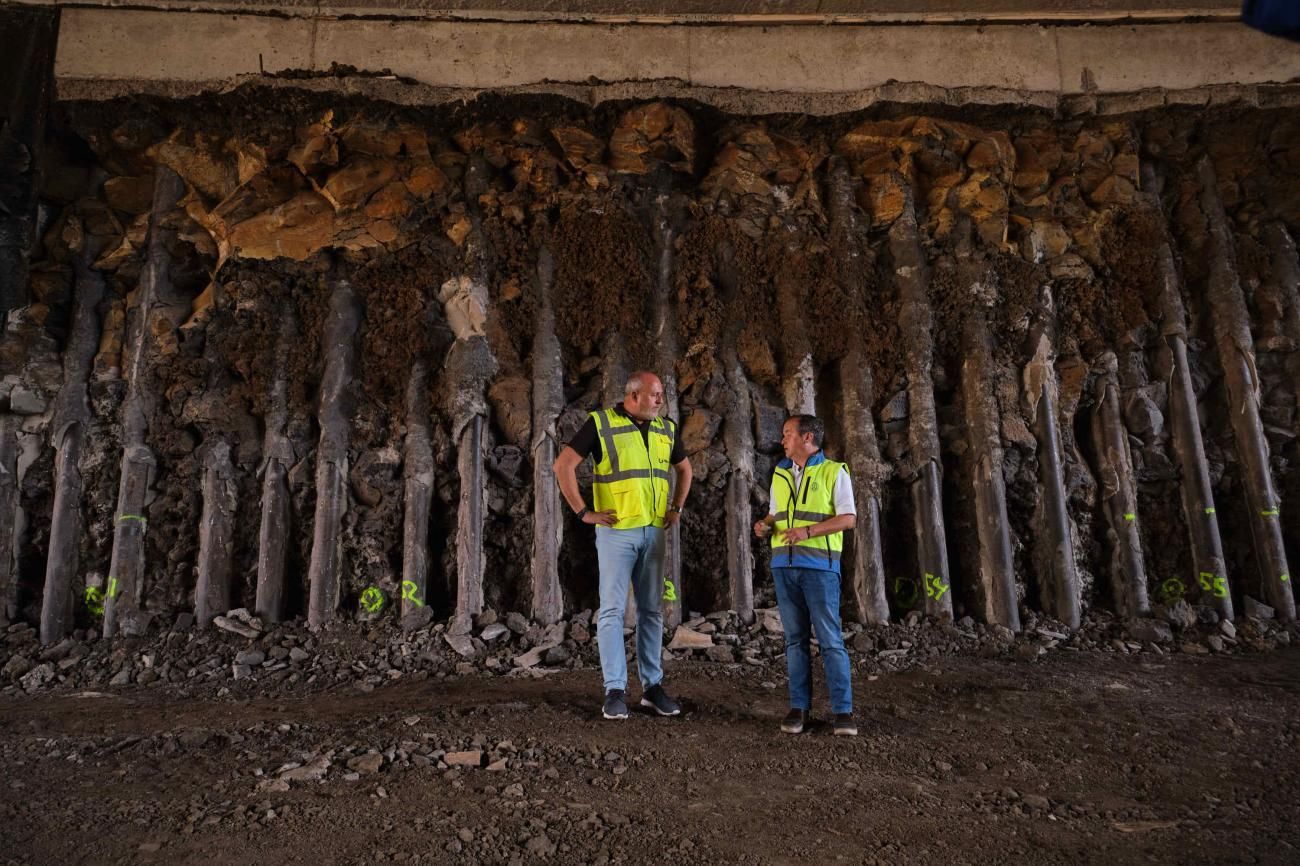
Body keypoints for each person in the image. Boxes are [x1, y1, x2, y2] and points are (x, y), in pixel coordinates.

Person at [554, 370, 693, 720]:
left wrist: (675, 507)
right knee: (613, 612)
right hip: (617, 533)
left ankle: (652, 688)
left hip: (654, 532)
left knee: (651, 611)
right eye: (654, 394)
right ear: (633, 396)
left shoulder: (666, 428)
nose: (660, 400)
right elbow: (563, 465)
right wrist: (584, 512)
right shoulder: (601, 424)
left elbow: (685, 470)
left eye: (662, 394)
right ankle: (614, 690)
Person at [753, 414, 858, 736]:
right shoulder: (780, 474)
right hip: (784, 566)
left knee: (830, 640)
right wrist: (765, 525)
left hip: (820, 569)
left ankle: (843, 712)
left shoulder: (834, 472)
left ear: (808, 437)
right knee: (794, 640)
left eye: (788, 434)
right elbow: (775, 513)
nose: (782, 440)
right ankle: (799, 708)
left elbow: (848, 519)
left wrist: (807, 532)